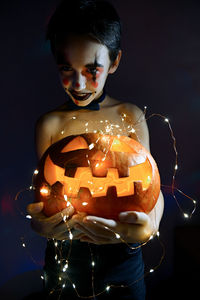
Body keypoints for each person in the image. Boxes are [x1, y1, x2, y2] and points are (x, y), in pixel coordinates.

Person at [27, 0, 164, 299]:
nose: (77, 83)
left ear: (114, 62)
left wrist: (145, 230)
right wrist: (41, 223)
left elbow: (151, 185)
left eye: (91, 70)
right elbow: (48, 191)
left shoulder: (131, 115)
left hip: (124, 263)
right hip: (66, 264)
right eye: (67, 68)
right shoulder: (49, 124)